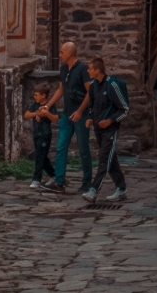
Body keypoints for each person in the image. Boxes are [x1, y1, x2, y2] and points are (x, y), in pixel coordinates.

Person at [43, 41, 91, 195]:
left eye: (62, 52)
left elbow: (90, 92)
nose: (59, 55)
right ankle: (59, 182)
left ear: (69, 53)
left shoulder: (83, 69)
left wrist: (80, 111)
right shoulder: (63, 69)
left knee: (83, 149)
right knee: (61, 147)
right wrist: (48, 105)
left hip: (81, 115)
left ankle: (87, 183)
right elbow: (61, 89)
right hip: (66, 114)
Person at [83, 56, 130, 204]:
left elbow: (124, 109)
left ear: (97, 70)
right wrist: (90, 118)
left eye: (90, 68)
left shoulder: (112, 85)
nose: (88, 71)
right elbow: (91, 106)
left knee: (104, 159)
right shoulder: (92, 86)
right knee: (111, 158)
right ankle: (121, 189)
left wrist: (110, 120)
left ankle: (93, 190)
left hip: (110, 129)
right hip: (98, 129)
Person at [23, 84, 56, 189]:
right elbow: (26, 115)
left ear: (43, 95)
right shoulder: (35, 105)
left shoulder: (49, 105)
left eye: (37, 95)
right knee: (41, 156)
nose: (35, 97)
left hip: (45, 135)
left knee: (39, 156)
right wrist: (36, 113)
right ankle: (53, 175)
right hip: (36, 134)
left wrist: (46, 113)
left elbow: (55, 118)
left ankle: (36, 179)